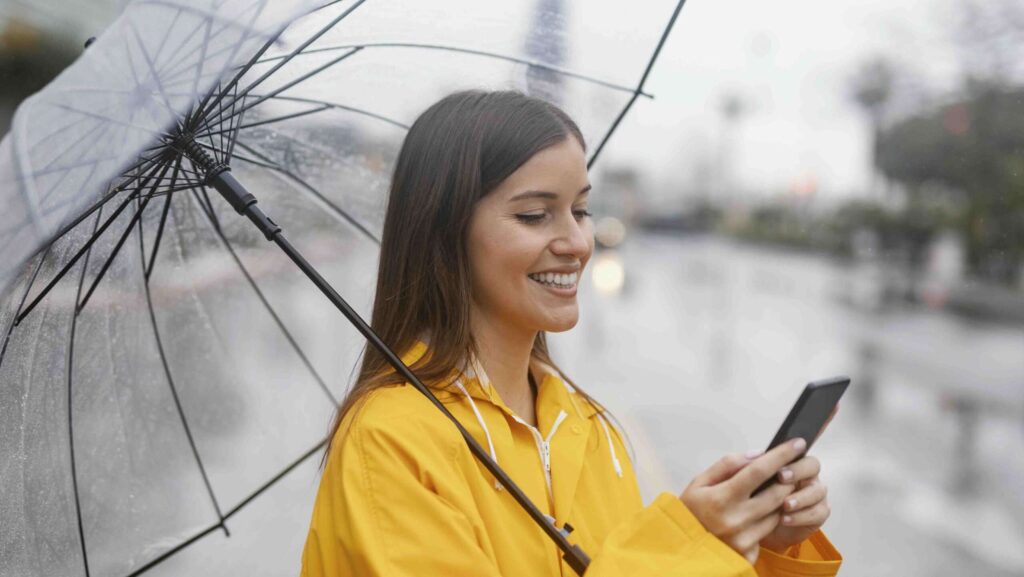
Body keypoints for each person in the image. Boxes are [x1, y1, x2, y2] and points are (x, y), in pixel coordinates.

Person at [300, 90, 842, 576]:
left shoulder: (586, 425)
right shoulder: (391, 444)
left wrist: (759, 549)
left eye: (580, 210)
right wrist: (689, 550)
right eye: (536, 215)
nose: (579, 242)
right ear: (445, 233)